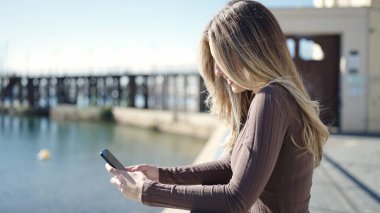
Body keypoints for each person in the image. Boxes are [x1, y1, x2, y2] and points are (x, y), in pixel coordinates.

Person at [105, 0, 329, 212]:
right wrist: (160, 174)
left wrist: (147, 191)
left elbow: (235, 199)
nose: (217, 72)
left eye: (220, 59)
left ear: (246, 53)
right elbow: (230, 167)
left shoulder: (271, 98)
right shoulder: (264, 98)